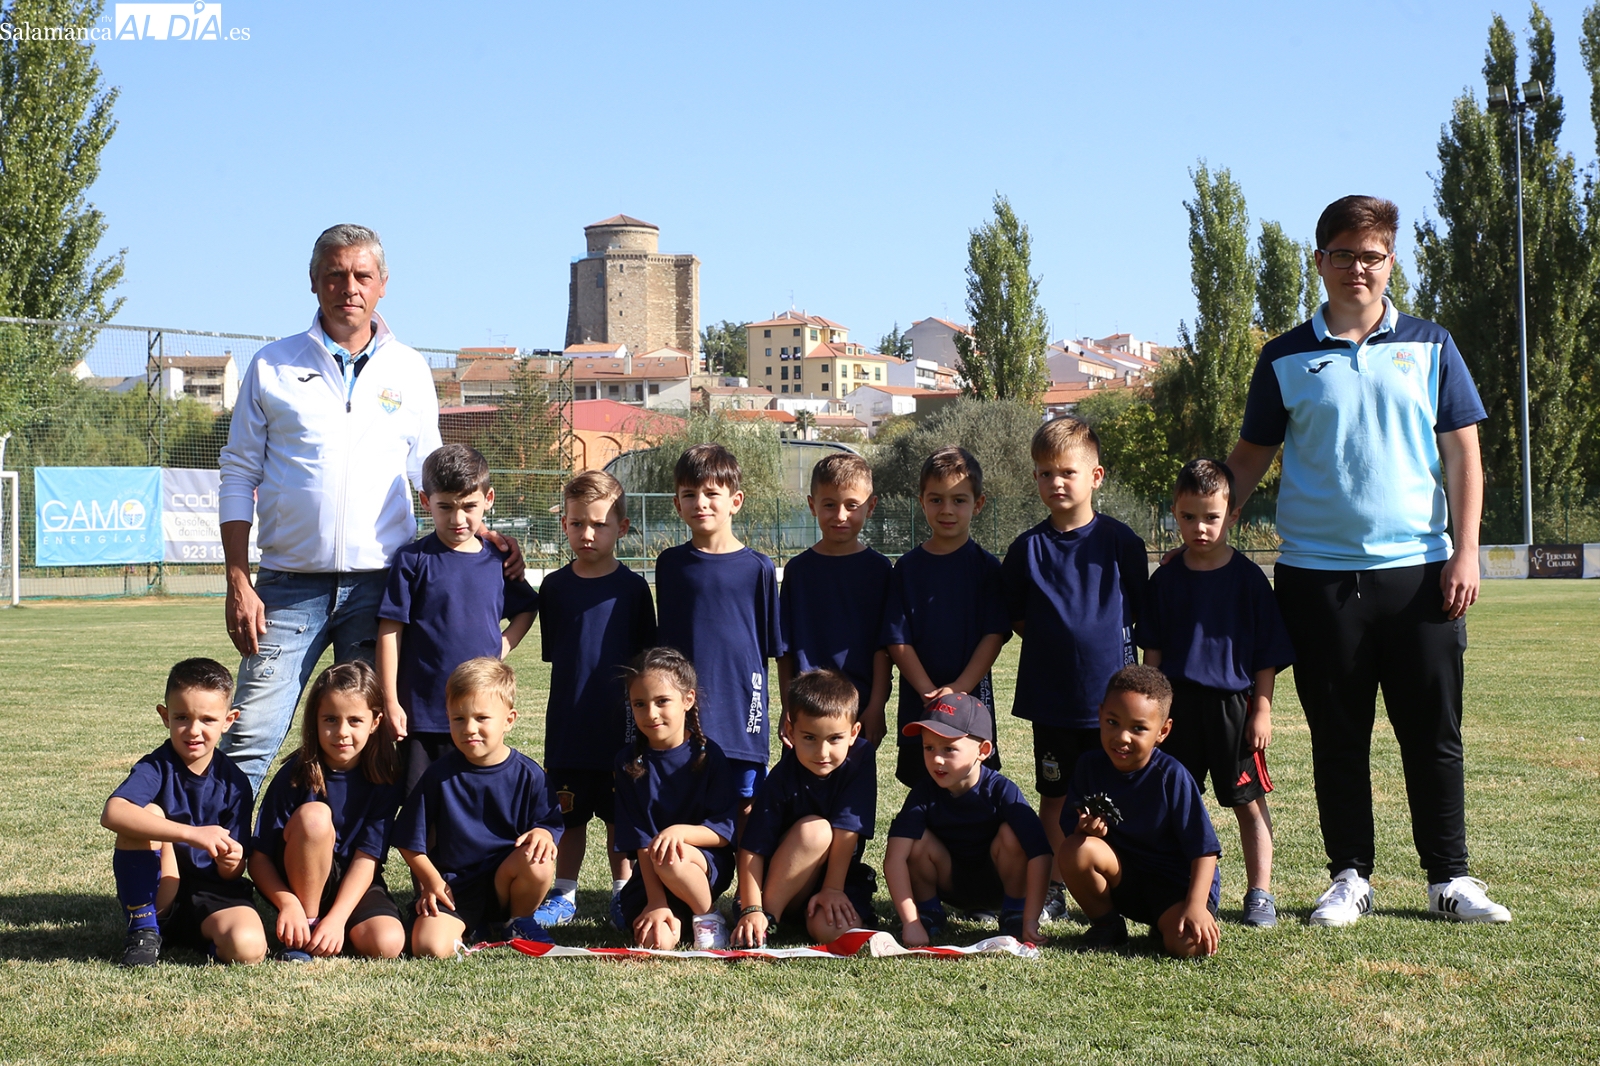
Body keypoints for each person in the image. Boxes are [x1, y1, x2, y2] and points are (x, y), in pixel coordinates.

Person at [1226, 194, 1510, 925]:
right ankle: (1349, 875)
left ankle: (1450, 879)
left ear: (1391, 263)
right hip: (1316, 578)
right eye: (1345, 254)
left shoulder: (1431, 343)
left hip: (1421, 575)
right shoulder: (1284, 357)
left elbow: (1464, 458)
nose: (1359, 267)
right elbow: (1251, 457)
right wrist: (1206, 530)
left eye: (1373, 255)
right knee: (1338, 736)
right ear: (1320, 262)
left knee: (1433, 735)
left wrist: (1467, 552)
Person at [219, 224, 523, 793]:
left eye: (362, 275)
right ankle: (212, 870)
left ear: (383, 284)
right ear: (314, 282)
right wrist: (238, 577)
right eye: (335, 274)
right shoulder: (272, 365)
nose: (348, 287)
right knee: (252, 735)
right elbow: (238, 473)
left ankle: (359, 872)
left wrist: (484, 530)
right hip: (285, 587)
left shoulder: (408, 368)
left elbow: (433, 471)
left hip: (381, 588)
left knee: (368, 742)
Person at [1002, 417, 1149, 923]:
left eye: (1066, 471)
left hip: (1113, 703)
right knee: (1056, 797)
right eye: (1044, 473)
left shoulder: (1120, 542)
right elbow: (1017, 615)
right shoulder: (1026, 549)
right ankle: (1054, 889)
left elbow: (1140, 613)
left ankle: (1121, 883)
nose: (1055, 482)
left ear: (1096, 475)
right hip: (1053, 701)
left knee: (1118, 794)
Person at [1138, 459, 1295, 928]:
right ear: (1174, 514)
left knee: (1248, 803)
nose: (1200, 527)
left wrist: (1261, 710)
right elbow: (1154, 654)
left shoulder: (1249, 579)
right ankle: (1185, 886)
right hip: (1177, 709)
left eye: (1211, 516)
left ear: (1233, 515)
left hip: (1233, 709)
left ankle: (1260, 893)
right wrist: (1153, 712)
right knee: (1174, 802)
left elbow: (1266, 653)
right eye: (1188, 517)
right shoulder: (1165, 579)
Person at [531, 471, 657, 928]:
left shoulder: (635, 590)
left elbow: (646, 663)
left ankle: (623, 893)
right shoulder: (554, 588)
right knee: (570, 815)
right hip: (568, 723)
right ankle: (563, 894)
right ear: (564, 524)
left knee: (620, 817)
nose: (587, 533)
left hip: (621, 726)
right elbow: (557, 655)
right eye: (577, 523)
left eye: (599, 524)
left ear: (621, 528)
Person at [375, 444, 539, 791]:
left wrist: (501, 647)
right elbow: (391, 631)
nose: (457, 519)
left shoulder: (499, 560)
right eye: (445, 507)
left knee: (472, 802)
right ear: (425, 502)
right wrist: (390, 699)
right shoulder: (412, 561)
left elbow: (527, 608)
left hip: (480, 713)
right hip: (422, 714)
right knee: (421, 807)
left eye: (469, 507)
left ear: (488, 499)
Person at [392, 658, 564, 956]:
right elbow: (409, 842)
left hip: (507, 882)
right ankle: (474, 925)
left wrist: (544, 834)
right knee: (429, 947)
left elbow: (549, 824)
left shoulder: (529, 774)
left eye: (482, 718)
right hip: (455, 888)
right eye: (458, 719)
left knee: (538, 858)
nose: (469, 728)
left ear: (509, 720)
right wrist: (432, 883)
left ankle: (516, 921)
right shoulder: (437, 775)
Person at [101, 658, 265, 967]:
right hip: (161, 890)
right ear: (165, 716)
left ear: (229, 721)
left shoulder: (236, 783)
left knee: (249, 948)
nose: (193, 730)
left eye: (208, 720)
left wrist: (230, 859)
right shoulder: (155, 767)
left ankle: (204, 939)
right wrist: (192, 834)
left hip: (214, 893)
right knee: (145, 812)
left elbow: (233, 870)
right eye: (182, 717)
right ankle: (144, 931)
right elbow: (113, 812)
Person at [654, 444, 784, 823]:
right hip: (686, 707)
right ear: (677, 504)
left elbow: (770, 647)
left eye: (712, 493)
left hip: (743, 705)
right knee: (682, 798)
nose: (701, 503)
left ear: (735, 501)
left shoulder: (759, 568)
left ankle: (749, 885)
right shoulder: (670, 565)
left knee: (745, 803)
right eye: (690, 495)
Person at [1056, 665, 1222, 957]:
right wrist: (1085, 829)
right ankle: (1107, 925)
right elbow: (1071, 827)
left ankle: (1167, 923)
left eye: (1138, 728)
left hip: (1176, 888)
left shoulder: (1172, 776)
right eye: (1112, 722)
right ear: (1100, 715)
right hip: (1126, 879)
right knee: (1075, 849)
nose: (1122, 737)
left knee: (1190, 946)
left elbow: (1204, 851)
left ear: (1163, 731)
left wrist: (1196, 906)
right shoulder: (1089, 766)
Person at [247, 662, 406, 961]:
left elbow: (367, 857)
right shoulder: (295, 775)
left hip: (353, 882)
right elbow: (259, 859)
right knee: (315, 817)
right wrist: (287, 903)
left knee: (388, 943)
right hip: (300, 882)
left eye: (355, 720)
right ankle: (305, 930)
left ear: (375, 722)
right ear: (315, 721)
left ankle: (329, 929)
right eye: (330, 719)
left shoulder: (386, 778)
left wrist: (338, 918)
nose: (341, 732)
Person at [881, 446, 1011, 788]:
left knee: (973, 792)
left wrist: (958, 689)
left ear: (978, 504)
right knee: (923, 793)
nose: (947, 509)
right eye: (936, 499)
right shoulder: (906, 569)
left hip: (971, 704)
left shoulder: (987, 569)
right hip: (919, 705)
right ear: (922, 502)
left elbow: (994, 635)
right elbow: (897, 638)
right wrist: (927, 690)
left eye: (959, 500)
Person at [883, 692, 1051, 947]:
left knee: (1012, 834)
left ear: (983, 750)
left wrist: (1030, 919)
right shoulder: (923, 792)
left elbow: (1040, 854)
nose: (937, 759)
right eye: (929, 747)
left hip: (1000, 885)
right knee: (915, 842)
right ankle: (929, 914)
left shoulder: (1001, 790)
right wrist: (911, 922)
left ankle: (1013, 914)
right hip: (949, 884)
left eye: (949, 749)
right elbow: (894, 858)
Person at [731, 669, 878, 947]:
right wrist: (753, 909)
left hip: (834, 878)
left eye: (834, 738)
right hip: (782, 882)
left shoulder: (861, 759)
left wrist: (833, 889)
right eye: (810, 738)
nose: (822, 753)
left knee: (831, 932)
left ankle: (810, 912)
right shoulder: (782, 777)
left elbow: (848, 828)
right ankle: (769, 921)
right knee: (816, 830)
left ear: (853, 733)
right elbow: (752, 848)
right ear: (790, 732)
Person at [611, 648, 738, 950]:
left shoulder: (709, 756)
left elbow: (722, 832)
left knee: (671, 855)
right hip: (650, 877)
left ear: (688, 700)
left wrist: (678, 832)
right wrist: (655, 902)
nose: (651, 713)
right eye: (639, 704)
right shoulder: (627, 762)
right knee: (658, 941)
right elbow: (640, 839)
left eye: (662, 701)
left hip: (698, 865)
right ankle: (678, 914)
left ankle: (707, 916)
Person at [777, 454, 892, 747]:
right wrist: (787, 707)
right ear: (812, 505)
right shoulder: (798, 571)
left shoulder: (880, 571)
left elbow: (884, 648)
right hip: (805, 710)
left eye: (852, 505)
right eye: (829, 504)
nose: (840, 515)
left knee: (854, 790)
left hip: (858, 711)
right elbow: (785, 651)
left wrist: (876, 706)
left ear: (871, 507)